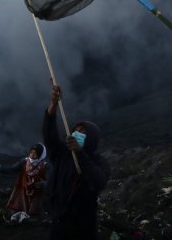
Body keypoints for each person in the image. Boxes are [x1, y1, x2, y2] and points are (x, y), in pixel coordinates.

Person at [43, 84, 110, 240]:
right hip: (59, 218)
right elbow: (49, 134)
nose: (78, 133)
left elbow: (98, 182)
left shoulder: (99, 162)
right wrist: (53, 105)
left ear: (92, 138)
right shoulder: (62, 154)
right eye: (77, 130)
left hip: (83, 224)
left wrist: (80, 153)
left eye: (83, 132)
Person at [0, 142, 48, 217]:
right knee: (19, 206)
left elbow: (50, 180)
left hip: (36, 192)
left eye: (35, 153)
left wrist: (43, 183)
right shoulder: (24, 161)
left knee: (34, 213)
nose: (32, 155)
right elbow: (13, 169)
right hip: (23, 188)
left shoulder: (44, 166)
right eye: (31, 152)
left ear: (40, 155)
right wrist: (1, 169)